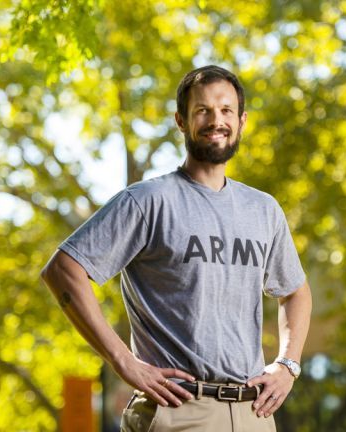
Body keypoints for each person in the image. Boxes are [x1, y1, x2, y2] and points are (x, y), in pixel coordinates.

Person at [41, 65, 312, 432]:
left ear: (242, 120)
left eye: (226, 110)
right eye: (202, 110)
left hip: (253, 415)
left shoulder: (263, 209)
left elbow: (295, 291)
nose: (216, 120)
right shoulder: (148, 201)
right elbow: (63, 270)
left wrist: (287, 365)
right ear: (181, 121)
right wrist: (122, 360)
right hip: (177, 412)